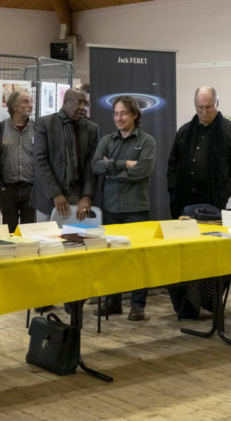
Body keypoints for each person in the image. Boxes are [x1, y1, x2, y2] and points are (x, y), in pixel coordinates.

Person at [91, 96, 156, 321]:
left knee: (137, 258)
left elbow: (143, 171)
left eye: (123, 114)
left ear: (135, 115)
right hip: (111, 207)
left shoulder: (147, 141)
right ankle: (113, 302)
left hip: (136, 208)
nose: (118, 118)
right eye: (116, 114)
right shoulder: (108, 140)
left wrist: (112, 169)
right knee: (113, 258)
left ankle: (138, 305)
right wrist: (125, 164)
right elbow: (96, 165)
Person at [167, 86, 231, 219]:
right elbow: (172, 163)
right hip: (184, 197)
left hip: (215, 199)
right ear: (195, 105)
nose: (204, 111)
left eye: (209, 107)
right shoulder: (184, 132)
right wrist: (174, 189)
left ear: (217, 103)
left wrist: (224, 194)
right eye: (200, 107)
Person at [32, 88, 99, 223]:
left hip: (79, 200)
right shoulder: (45, 124)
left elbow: (91, 165)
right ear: (65, 102)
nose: (83, 108)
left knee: (78, 241)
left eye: (86, 104)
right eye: (79, 103)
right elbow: (40, 161)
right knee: (48, 242)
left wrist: (87, 196)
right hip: (48, 199)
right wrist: (55, 194)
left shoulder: (92, 128)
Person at [0, 90, 35, 233]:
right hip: (8, 190)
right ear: (14, 105)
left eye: (31, 101)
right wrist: (0, 187)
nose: (30, 105)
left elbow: (43, 160)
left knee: (29, 233)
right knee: (9, 233)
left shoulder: (38, 129)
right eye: (26, 101)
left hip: (30, 190)